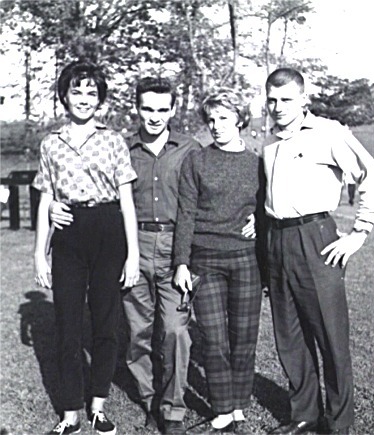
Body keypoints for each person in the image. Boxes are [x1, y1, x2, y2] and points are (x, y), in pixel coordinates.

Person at [49, 77, 202, 435]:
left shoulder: (189, 149)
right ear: (136, 107)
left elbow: (201, 202)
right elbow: (78, 183)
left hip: (173, 247)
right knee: (136, 333)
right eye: (147, 108)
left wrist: (250, 218)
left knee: (176, 332)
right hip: (129, 245)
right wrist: (55, 204)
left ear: (173, 110)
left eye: (163, 109)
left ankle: (174, 410)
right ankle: (151, 402)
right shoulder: (120, 146)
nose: (155, 116)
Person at [262, 67, 374, 435]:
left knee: (330, 337)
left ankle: (339, 423)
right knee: (289, 336)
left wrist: (359, 232)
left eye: (286, 99)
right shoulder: (269, 141)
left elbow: (373, 176)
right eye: (272, 99)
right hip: (277, 240)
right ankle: (304, 415)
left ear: (304, 98)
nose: (278, 106)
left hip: (315, 238)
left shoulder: (328, 133)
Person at [33, 60, 140, 435]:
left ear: (100, 99)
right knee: (67, 326)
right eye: (76, 91)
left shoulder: (113, 141)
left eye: (91, 92)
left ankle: (98, 406)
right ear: (64, 95)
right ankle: (70, 413)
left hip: (108, 230)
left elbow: (127, 202)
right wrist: (38, 252)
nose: (83, 99)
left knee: (105, 322)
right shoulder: (50, 144)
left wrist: (134, 255)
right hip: (68, 236)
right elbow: (46, 200)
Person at [173, 88, 264, 434]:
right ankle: (222, 408)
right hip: (204, 260)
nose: (216, 125)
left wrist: (261, 220)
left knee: (244, 337)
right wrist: (182, 262)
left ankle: (239, 404)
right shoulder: (196, 160)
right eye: (211, 119)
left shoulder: (257, 163)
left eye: (224, 118)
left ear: (240, 119)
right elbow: (186, 213)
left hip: (246, 260)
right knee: (214, 339)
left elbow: (268, 205)